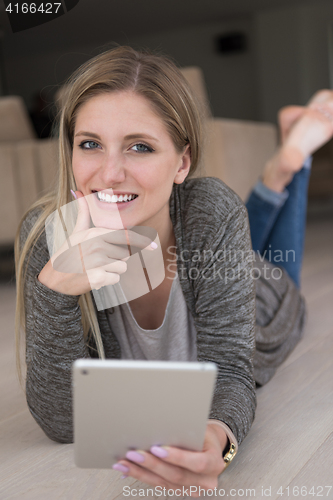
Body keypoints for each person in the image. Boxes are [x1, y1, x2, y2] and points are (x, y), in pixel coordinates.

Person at [14, 46, 333, 491]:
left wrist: (220, 438)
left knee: (272, 268)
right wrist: (55, 291)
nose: (108, 173)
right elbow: (63, 421)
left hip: (264, 298)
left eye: (139, 147)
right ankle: (279, 171)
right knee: (232, 240)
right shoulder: (47, 238)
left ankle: (288, 165)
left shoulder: (210, 210)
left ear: (181, 163)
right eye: (90, 144)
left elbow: (234, 371)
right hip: (209, 251)